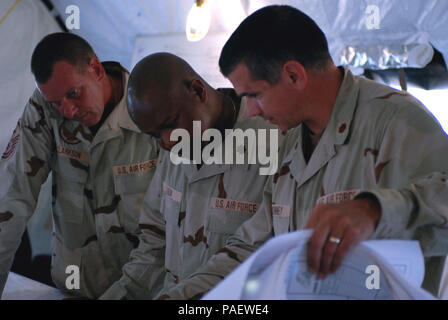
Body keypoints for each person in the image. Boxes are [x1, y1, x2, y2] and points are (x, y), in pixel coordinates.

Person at [157, 5, 448, 299]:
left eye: (254, 95)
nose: (251, 111)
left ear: (293, 75)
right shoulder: (290, 141)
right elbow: (251, 250)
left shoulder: (395, 122)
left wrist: (374, 209)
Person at [99, 52, 281, 299]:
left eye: (170, 123)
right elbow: (153, 246)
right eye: (154, 135)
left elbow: (259, 255)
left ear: (197, 91)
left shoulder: (273, 143)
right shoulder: (172, 148)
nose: (166, 142)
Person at [0, 32, 159, 299]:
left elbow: (169, 230)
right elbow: (12, 197)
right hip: (76, 287)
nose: (68, 111)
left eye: (74, 94)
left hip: (142, 291)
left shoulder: (152, 111)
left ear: (96, 69)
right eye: (57, 103)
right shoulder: (45, 108)